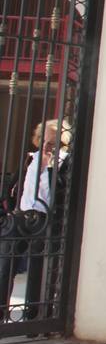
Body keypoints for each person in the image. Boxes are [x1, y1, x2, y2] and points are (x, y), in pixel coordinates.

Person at [2, 119, 71, 323]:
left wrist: (47, 169)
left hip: (45, 220)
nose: (45, 146)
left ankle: (33, 318)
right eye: (43, 141)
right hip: (21, 217)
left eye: (51, 143)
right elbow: (14, 184)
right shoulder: (30, 158)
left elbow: (63, 192)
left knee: (37, 270)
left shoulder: (64, 163)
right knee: (5, 267)